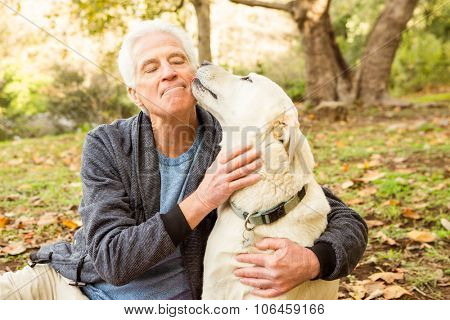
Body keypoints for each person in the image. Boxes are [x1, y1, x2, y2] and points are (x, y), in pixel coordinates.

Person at [0, 20, 368, 300]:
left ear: (193, 74)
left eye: (177, 60)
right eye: (151, 67)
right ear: (135, 94)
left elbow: (340, 215)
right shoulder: (107, 145)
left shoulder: (236, 137)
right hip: (71, 289)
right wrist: (204, 197)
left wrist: (314, 260)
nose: (168, 71)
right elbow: (113, 260)